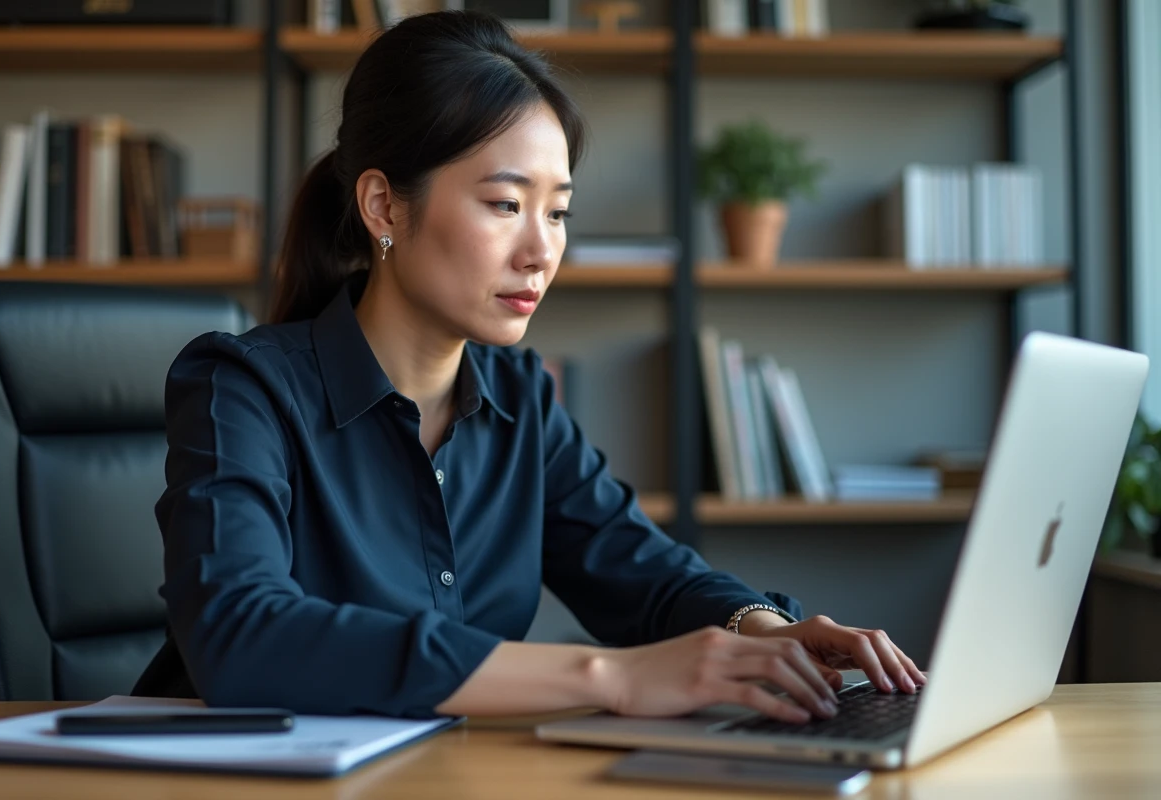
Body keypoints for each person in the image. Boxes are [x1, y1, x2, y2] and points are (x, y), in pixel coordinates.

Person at [132, 10, 925, 723]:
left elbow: (643, 574)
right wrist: (606, 677)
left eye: (559, 212)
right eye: (506, 205)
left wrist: (767, 634)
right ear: (384, 208)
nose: (543, 250)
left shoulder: (518, 398)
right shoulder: (241, 386)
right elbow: (241, 633)